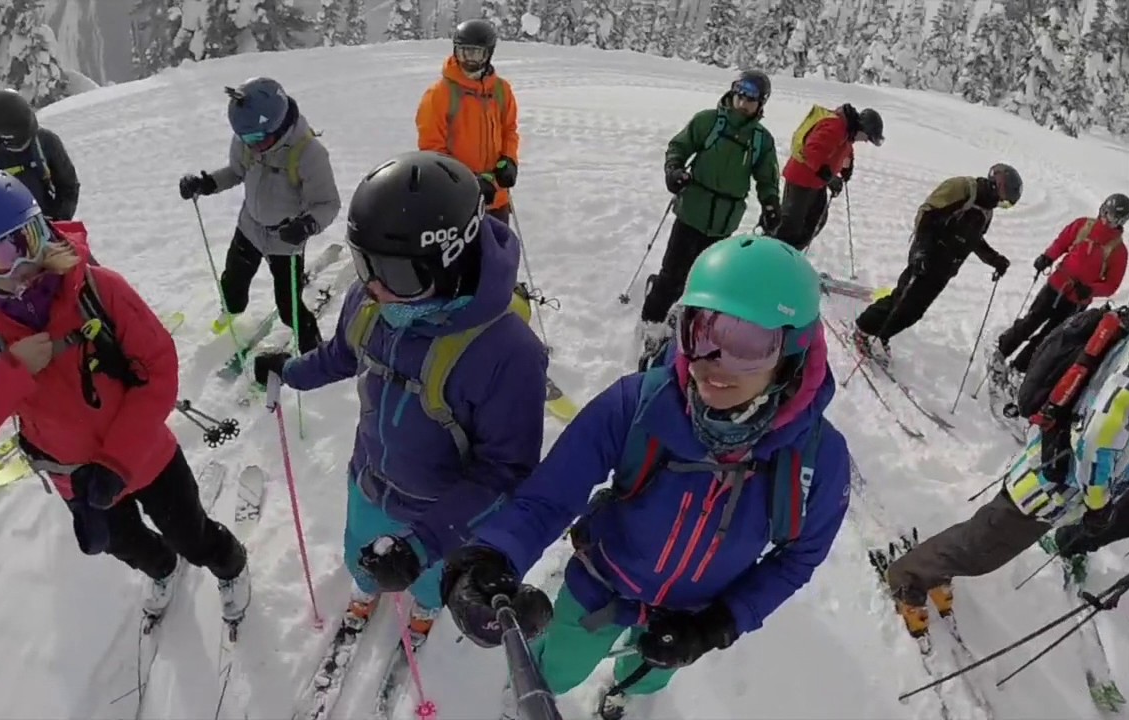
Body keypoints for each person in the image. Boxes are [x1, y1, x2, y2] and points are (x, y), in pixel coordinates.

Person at [440, 235, 852, 720]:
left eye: (746, 344)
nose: (712, 365)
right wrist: (491, 555)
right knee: (558, 668)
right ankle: (524, 704)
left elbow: (798, 558)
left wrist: (720, 623)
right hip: (600, 586)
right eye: (700, 331)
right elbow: (550, 496)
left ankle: (621, 699)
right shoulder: (637, 405)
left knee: (643, 674)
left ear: (794, 355)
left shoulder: (819, 462)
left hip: (690, 618)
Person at [250, 151, 547, 646]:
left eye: (398, 274)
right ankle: (367, 589)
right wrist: (292, 371)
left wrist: (423, 544)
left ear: (451, 262)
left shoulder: (507, 355)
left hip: (439, 515)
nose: (375, 287)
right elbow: (341, 355)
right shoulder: (369, 303)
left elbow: (504, 472)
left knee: (428, 579)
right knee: (361, 552)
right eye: (364, 263)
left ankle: (425, 608)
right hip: (369, 481)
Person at [0, 169, 250, 626]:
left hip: (146, 459)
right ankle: (162, 569)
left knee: (191, 533)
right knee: (129, 546)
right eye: (1, 253)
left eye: (31, 236)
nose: (27, 260)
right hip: (78, 483)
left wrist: (117, 462)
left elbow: (159, 372)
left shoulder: (99, 290)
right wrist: (10, 370)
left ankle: (229, 564)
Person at [881, 302, 1129, 638]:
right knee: (984, 548)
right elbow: (1101, 433)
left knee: (987, 536)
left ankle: (934, 568)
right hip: (1052, 478)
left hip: (1056, 464)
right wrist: (1099, 503)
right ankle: (907, 578)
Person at [178, 77, 342, 353]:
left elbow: (328, 203)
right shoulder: (248, 136)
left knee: (289, 307)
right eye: (243, 137)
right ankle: (230, 312)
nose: (248, 144)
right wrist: (206, 184)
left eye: (254, 139)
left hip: (285, 241)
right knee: (232, 283)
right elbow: (236, 171)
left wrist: (306, 226)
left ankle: (313, 351)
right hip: (250, 228)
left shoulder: (309, 154)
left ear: (276, 126)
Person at [639, 70, 781, 365]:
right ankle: (651, 322)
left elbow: (767, 178)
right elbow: (679, 146)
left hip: (723, 223)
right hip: (691, 210)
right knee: (672, 274)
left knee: (704, 280)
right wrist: (674, 170)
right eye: (740, 93)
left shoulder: (760, 141)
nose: (743, 102)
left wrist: (770, 205)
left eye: (751, 98)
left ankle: (686, 323)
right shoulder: (708, 122)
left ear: (761, 103)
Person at [853, 164, 1019, 366]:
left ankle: (882, 334)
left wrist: (994, 259)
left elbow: (974, 239)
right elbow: (928, 215)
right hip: (929, 253)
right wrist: (921, 250)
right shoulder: (963, 189)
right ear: (996, 184)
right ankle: (865, 328)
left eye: (1006, 204)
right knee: (903, 298)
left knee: (916, 310)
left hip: (946, 265)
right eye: (1003, 199)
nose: (1000, 203)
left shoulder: (986, 211)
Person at [992, 192, 1128, 384]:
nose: (1107, 219)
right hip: (1056, 285)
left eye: (1113, 217)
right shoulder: (1083, 225)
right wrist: (1047, 257)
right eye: (1106, 212)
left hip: (1076, 301)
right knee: (1032, 319)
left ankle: (1019, 368)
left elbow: (1111, 284)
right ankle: (1002, 349)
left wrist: (1090, 290)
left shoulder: (1118, 251)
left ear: (1121, 221)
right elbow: (1062, 243)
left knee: (1048, 337)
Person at [416, 19, 520, 224]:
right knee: (467, 256)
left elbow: (510, 130)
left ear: (488, 54)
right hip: (458, 200)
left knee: (497, 254)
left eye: (476, 53)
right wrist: (468, 181)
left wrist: (509, 160)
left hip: (496, 197)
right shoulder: (440, 94)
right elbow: (432, 150)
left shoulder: (501, 90)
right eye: (464, 52)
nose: (469, 60)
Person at [773, 103, 884, 251]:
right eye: (867, 137)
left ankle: (790, 254)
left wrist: (846, 167)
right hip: (801, 179)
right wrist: (830, 178)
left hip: (816, 183)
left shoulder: (848, 131)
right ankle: (772, 253)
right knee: (791, 224)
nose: (865, 141)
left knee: (815, 221)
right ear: (862, 128)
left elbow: (845, 149)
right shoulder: (836, 126)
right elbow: (811, 150)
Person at [0, 88, 80, 221]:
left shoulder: (46, 142)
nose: (23, 146)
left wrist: (59, 219)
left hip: (46, 223)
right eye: (16, 144)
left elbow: (68, 186)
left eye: (26, 139)